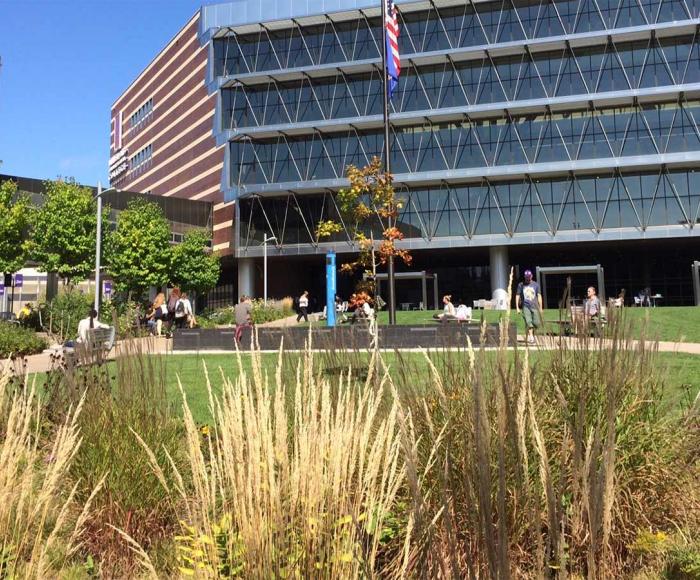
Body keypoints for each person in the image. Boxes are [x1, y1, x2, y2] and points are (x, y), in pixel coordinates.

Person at [516, 270, 543, 345]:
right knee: (528, 321)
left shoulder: (536, 285)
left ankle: (531, 333)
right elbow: (517, 295)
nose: (528, 278)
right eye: (526, 277)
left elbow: (539, 296)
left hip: (535, 306)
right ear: (525, 277)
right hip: (525, 306)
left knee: (537, 323)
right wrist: (517, 307)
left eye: (529, 277)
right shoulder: (521, 285)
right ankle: (531, 337)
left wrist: (541, 307)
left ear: (531, 276)